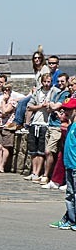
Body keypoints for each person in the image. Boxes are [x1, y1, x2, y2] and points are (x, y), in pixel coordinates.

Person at [23, 72, 58, 182]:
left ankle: (38, 172)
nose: (47, 84)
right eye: (45, 82)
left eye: (49, 82)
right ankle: (34, 172)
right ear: (41, 82)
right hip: (35, 122)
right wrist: (40, 106)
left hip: (46, 123)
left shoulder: (54, 92)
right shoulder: (38, 92)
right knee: (33, 151)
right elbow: (30, 106)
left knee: (41, 151)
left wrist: (49, 106)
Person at [48, 97, 76, 229]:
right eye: (65, 110)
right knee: (70, 194)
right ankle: (70, 219)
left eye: (70, 109)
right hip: (69, 165)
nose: (67, 112)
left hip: (75, 165)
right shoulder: (70, 126)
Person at [4, 50, 49, 133]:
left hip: (40, 93)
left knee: (22, 102)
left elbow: (46, 81)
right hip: (36, 92)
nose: (37, 59)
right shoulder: (37, 70)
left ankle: (18, 123)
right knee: (21, 101)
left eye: (39, 58)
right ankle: (16, 122)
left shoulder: (44, 69)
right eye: (35, 58)